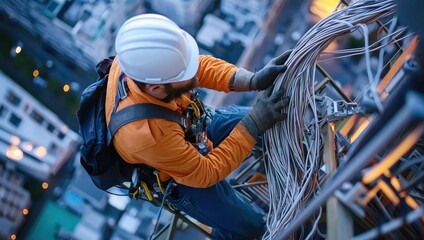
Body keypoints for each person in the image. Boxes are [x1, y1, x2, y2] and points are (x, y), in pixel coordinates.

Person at [105, 14, 290, 240]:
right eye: (183, 74)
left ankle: (291, 174)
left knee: (269, 123)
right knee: (251, 228)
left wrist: (251, 80)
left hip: (192, 128)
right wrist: (252, 125)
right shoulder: (147, 135)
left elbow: (194, 66)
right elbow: (205, 172)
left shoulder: (140, 61)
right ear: (155, 89)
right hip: (181, 176)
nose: (191, 73)